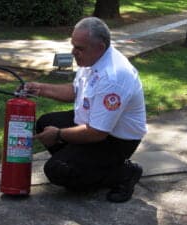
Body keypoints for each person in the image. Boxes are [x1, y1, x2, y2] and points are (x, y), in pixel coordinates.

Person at [24, 17, 147, 203]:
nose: (73, 52)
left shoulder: (113, 76)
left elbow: (97, 133)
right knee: (44, 123)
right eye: (73, 46)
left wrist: (59, 134)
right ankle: (84, 167)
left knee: (56, 170)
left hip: (116, 141)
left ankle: (123, 173)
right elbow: (75, 90)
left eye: (79, 48)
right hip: (92, 124)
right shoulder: (92, 60)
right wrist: (40, 88)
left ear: (100, 47)